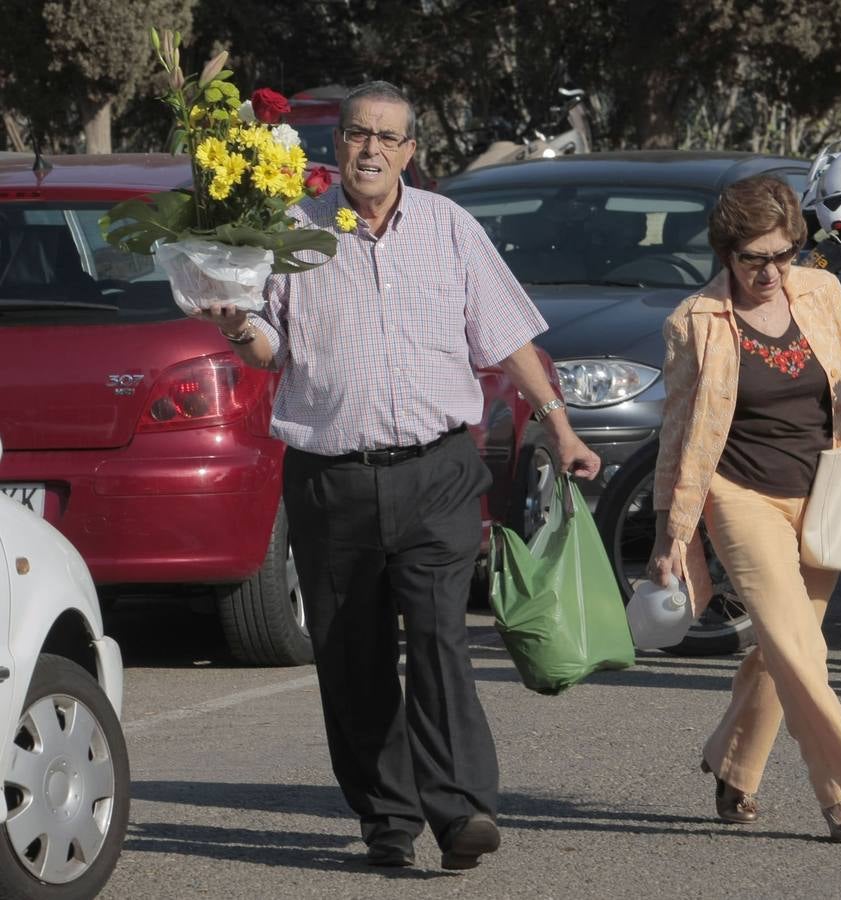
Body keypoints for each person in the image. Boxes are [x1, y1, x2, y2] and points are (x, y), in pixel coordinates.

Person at [198, 81, 601, 870]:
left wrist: (560, 426)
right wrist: (239, 323)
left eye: (388, 137)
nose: (372, 150)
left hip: (437, 473)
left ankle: (460, 813)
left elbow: (507, 337)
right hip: (330, 476)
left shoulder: (450, 228)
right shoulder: (290, 232)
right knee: (352, 654)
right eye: (358, 135)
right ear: (337, 146)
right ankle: (387, 819)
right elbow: (267, 350)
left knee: (442, 637)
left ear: (412, 151)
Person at [646, 175, 841, 844]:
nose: (769, 272)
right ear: (725, 254)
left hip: (823, 492)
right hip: (740, 496)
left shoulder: (819, 292)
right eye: (752, 259)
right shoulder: (694, 323)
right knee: (799, 649)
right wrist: (669, 532)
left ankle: (731, 766)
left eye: (782, 255)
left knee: (781, 650)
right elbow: (678, 434)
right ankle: (840, 794)